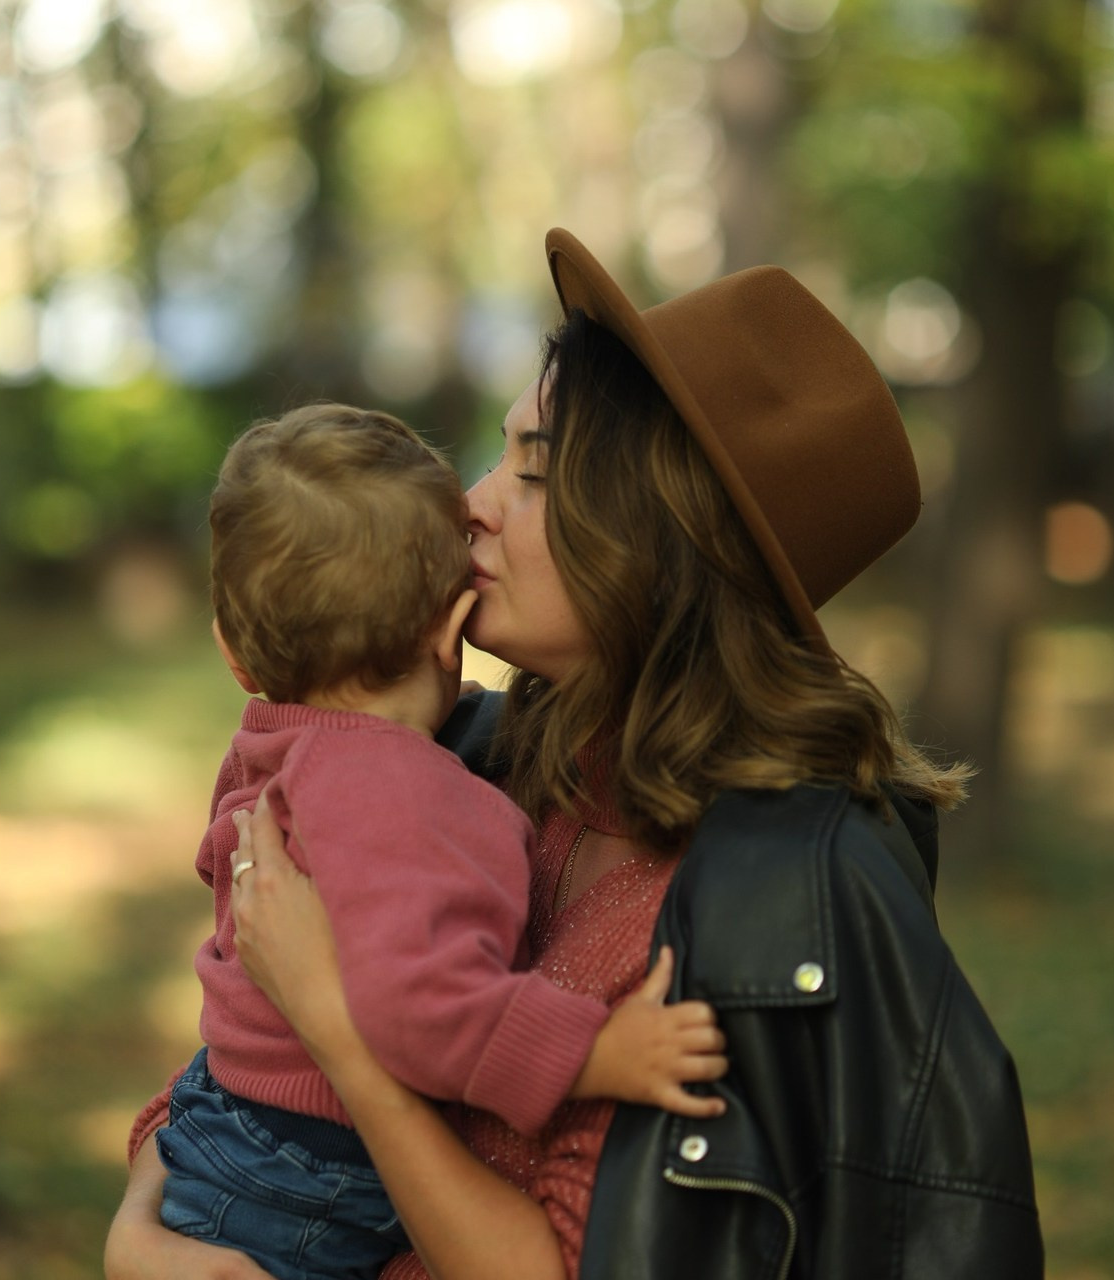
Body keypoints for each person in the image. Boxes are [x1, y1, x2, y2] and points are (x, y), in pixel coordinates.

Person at [106, 229, 1043, 1280]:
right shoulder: (472, 756)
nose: (469, 503)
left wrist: (343, 1033)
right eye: (499, 451)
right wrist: (147, 1219)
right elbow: (250, 1011)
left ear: (658, 547)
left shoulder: (734, 905)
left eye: (533, 473)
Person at [133, 401, 728, 1280]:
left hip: (232, 1128)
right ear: (446, 629)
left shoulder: (279, 744)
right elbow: (419, 1007)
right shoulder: (402, 787)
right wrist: (597, 1054)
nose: (478, 506)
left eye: (531, 469)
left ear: (235, 657)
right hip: (299, 1168)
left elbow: (246, 921)